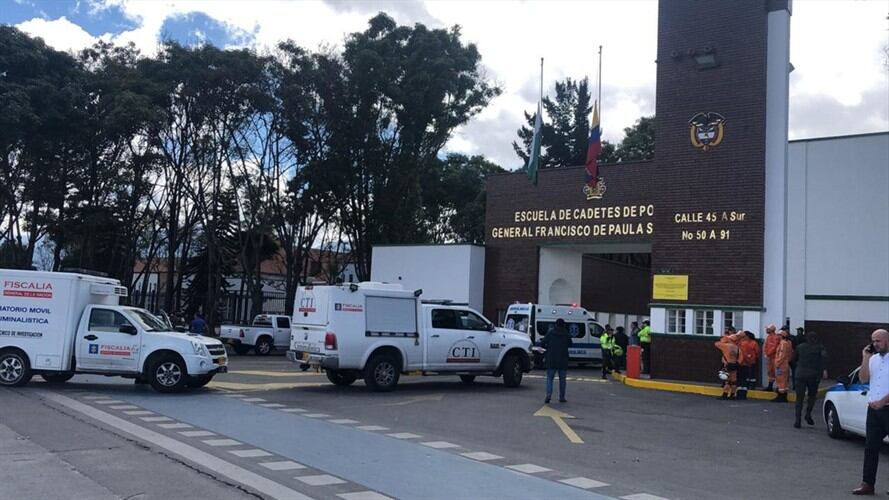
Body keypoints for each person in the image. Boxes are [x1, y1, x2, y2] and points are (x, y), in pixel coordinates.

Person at [852, 329, 889, 496]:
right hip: (873, 411)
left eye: (878, 341)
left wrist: (883, 401)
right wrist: (865, 358)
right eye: (873, 341)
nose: (875, 344)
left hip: (887, 408)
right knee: (870, 448)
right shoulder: (873, 359)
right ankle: (868, 483)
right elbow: (863, 378)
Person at [791, 330, 827, 428]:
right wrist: (823, 370)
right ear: (816, 339)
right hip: (813, 376)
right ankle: (808, 414)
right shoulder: (820, 348)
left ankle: (797, 420)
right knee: (812, 396)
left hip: (800, 374)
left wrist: (798, 366)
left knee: (799, 398)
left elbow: (793, 359)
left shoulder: (800, 347)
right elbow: (823, 359)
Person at [540, 318, 572, 404]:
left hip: (551, 359)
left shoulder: (550, 333)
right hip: (563, 359)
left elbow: (542, 343)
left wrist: (548, 348)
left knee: (550, 379)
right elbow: (570, 344)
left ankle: (548, 395)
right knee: (562, 380)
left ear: (556, 324)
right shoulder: (566, 333)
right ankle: (562, 397)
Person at [715, 332, 740, 400]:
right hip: (734, 364)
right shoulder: (737, 347)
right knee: (734, 380)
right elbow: (741, 357)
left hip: (727, 364)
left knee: (727, 380)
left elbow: (716, 344)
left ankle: (725, 394)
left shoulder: (726, 346)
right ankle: (732, 394)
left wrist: (724, 339)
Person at [737, 331, 761, 400]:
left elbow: (746, 354)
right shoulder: (742, 343)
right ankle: (742, 394)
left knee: (743, 378)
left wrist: (748, 361)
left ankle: (742, 394)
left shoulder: (744, 343)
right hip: (745, 362)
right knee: (744, 379)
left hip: (745, 363)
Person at [772, 328, 794, 402]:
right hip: (785, 364)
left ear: (781, 336)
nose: (777, 336)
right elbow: (790, 354)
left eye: (778, 335)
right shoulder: (788, 343)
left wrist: (777, 363)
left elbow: (782, 355)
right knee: (784, 381)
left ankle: (781, 397)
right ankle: (783, 396)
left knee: (780, 380)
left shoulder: (783, 343)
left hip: (781, 365)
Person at [763, 324, 779, 391]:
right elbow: (765, 346)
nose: (766, 330)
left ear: (772, 330)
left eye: (768, 328)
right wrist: (766, 353)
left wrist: (768, 354)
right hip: (769, 357)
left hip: (774, 357)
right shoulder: (768, 337)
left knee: (776, 372)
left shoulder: (775, 337)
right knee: (770, 372)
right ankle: (770, 386)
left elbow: (774, 347)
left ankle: (778, 387)